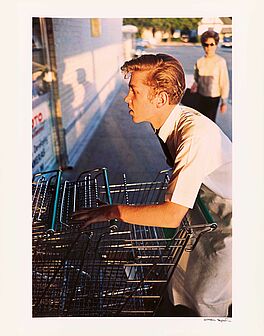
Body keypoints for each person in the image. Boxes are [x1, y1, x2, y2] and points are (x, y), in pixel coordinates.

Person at [72, 54, 232, 317]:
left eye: (134, 91)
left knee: (207, 299)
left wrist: (113, 211)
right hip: (207, 209)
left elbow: (171, 216)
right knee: (181, 281)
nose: (127, 98)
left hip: (231, 220)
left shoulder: (194, 136)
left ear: (159, 99)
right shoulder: (168, 122)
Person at [190, 30, 230, 122]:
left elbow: (224, 82)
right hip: (200, 96)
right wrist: (195, 84)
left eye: (211, 44)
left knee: (210, 122)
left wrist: (224, 102)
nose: (208, 47)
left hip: (213, 98)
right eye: (206, 44)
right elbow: (196, 78)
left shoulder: (220, 62)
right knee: (200, 122)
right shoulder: (199, 61)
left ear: (216, 44)